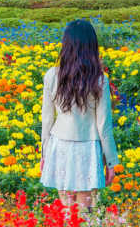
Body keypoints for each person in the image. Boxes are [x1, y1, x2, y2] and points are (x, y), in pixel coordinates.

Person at [40, 19, 119, 215]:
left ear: (66, 45)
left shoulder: (52, 75)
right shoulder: (99, 79)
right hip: (87, 147)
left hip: (60, 145)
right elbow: (104, 125)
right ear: (92, 47)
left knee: (67, 210)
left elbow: (47, 120)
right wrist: (111, 162)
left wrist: (44, 154)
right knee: (85, 213)